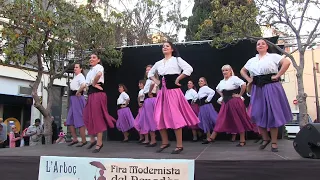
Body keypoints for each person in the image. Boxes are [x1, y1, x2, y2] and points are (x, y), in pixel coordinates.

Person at [240, 39, 292, 152]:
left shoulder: (273, 56)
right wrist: (249, 79)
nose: (260, 45)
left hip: (271, 86)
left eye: (263, 43)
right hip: (257, 88)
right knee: (256, 113)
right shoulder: (252, 60)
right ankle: (265, 138)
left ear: (267, 46)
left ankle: (274, 142)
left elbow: (287, 62)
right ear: (256, 47)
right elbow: (242, 71)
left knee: (273, 113)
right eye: (258, 44)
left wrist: (278, 75)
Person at [148, 41, 200, 154]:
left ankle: (179, 145)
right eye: (163, 46)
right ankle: (165, 142)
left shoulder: (177, 60)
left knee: (175, 118)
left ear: (172, 49)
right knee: (159, 116)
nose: (165, 47)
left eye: (167, 46)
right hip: (162, 93)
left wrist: (178, 79)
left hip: (173, 92)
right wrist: (157, 81)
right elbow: (150, 74)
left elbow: (189, 69)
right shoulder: (158, 63)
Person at [203, 65, 254, 146]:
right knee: (220, 118)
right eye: (223, 70)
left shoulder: (234, 78)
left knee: (238, 119)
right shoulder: (222, 81)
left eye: (226, 70)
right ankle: (212, 137)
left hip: (234, 101)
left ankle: (242, 140)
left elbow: (244, 85)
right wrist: (223, 96)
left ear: (230, 71)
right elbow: (217, 89)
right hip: (226, 102)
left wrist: (240, 95)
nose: (224, 72)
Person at [83, 53, 116, 153]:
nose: (91, 59)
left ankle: (99, 142)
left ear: (98, 60)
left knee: (97, 118)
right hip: (91, 95)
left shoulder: (99, 67)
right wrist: (79, 91)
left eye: (93, 58)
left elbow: (99, 75)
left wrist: (93, 84)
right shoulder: (90, 71)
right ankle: (93, 139)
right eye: (90, 57)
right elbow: (85, 84)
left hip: (98, 95)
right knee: (88, 117)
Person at [66, 63, 87, 147]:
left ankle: (84, 140)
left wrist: (78, 92)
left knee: (79, 119)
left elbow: (83, 85)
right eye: (74, 67)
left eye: (77, 67)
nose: (75, 68)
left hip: (77, 98)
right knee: (69, 120)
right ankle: (75, 138)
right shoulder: (76, 77)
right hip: (73, 98)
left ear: (81, 69)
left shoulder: (81, 76)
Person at [138, 65, 159, 147]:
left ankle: (153, 140)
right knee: (147, 119)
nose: (147, 71)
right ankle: (152, 139)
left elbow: (153, 85)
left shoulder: (152, 79)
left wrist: (150, 92)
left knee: (150, 119)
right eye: (146, 70)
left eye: (149, 70)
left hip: (150, 100)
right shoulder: (147, 80)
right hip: (147, 100)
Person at [197, 77, 218, 142]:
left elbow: (212, 92)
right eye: (199, 81)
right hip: (202, 106)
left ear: (205, 82)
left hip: (206, 106)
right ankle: (208, 137)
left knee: (210, 120)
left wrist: (207, 99)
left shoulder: (205, 88)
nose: (200, 82)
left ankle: (211, 136)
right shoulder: (201, 89)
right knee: (205, 121)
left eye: (202, 81)